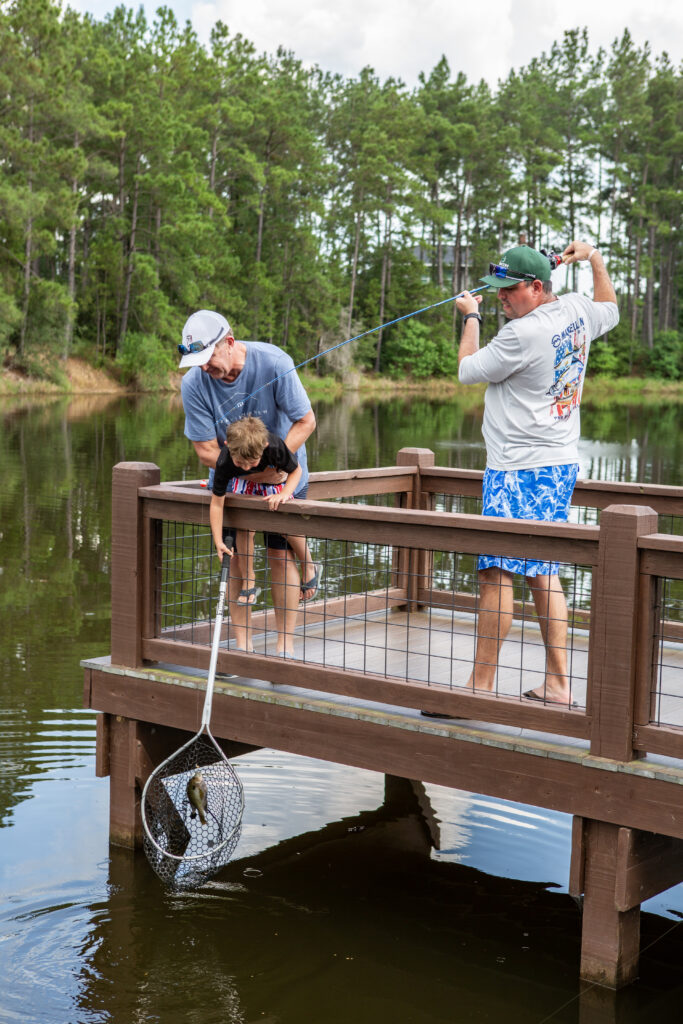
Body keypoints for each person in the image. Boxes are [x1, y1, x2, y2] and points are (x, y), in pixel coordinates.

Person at [453, 241, 619, 706]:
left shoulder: (520, 335)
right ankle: (560, 684)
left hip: (515, 469)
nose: (501, 298)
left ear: (537, 286)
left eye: (509, 290)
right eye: (496, 291)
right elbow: (611, 307)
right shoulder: (578, 311)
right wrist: (595, 259)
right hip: (559, 463)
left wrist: (470, 316)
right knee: (542, 573)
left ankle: (480, 687)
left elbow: (467, 370)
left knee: (496, 574)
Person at [179, 309, 318, 656]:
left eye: (207, 358)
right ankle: (243, 648)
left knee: (279, 556)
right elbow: (205, 449)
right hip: (232, 482)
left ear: (229, 342)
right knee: (237, 558)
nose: (203, 367)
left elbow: (306, 421)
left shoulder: (273, 362)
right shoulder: (194, 384)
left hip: (284, 473)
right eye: (196, 361)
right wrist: (253, 473)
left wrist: (276, 469)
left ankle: (283, 648)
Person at [209, 415, 321, 619]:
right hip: (244, 485)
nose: (246, 468)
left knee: (282, 523)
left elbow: (296, 471)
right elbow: (217, 503)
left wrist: (284, 494)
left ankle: (309, 563)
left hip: (276, 483)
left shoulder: (275, 447)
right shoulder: (225, 460)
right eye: (239, 463)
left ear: (265, 447)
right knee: (244, 526)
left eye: (252, 462)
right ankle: (249, 579)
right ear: (228, 446)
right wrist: (218, 541)